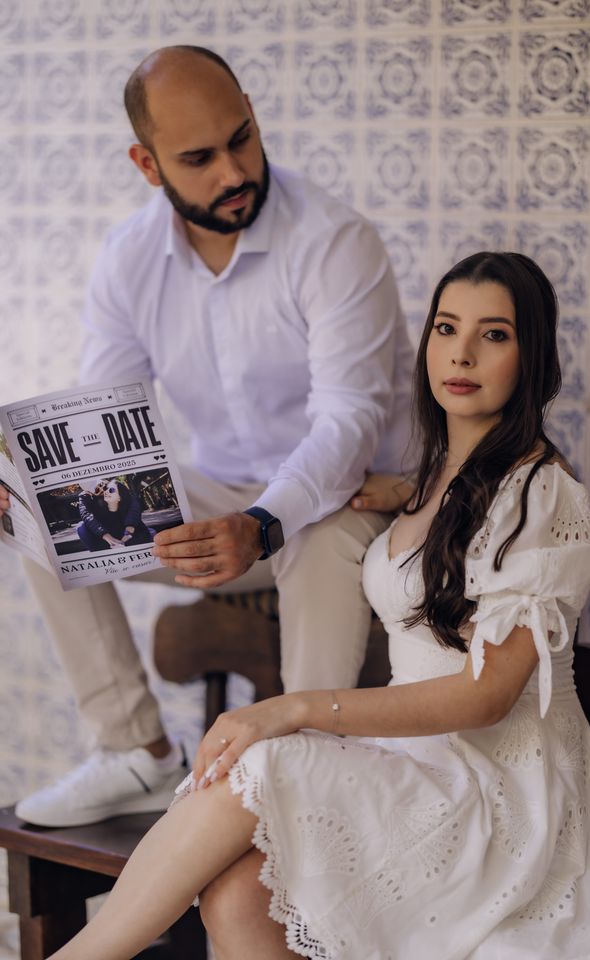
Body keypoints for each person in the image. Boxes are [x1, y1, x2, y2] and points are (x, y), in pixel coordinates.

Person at [44, 252, 590, 960]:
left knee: (263, 759)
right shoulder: (433, 478)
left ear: (532, 355)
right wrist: (400, 492)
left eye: (495, 335)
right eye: (446, 328)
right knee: (235, 896)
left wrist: (292, 709)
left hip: (498, 789)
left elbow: (488, 697)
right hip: (414, 764)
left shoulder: (544, 493)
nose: (462, 354)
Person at [0, 44, 414, 828]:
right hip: (223, 513)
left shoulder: (335, 241)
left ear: (251, 114)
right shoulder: (127, 261)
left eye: (241, 139)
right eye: (199, 158)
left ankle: (300, 786)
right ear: (147, 164)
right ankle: (135, 751)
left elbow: (349, 422)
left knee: (320, 528)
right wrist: (40, 490)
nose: (234, 171)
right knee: (34, 490)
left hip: (351, 502)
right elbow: (105, 436)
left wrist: (262, 524)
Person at [76, 480, 155, 551]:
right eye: (97, 490)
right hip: (105, 530)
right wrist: (105, 536)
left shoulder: (114, 485)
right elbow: (87, 516)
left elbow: (133, 505)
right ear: (89, 493)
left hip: (125, 525)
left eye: (101, 485)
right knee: (81, 527)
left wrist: (130, 527)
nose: (102, 490)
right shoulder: (85, 497)